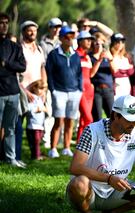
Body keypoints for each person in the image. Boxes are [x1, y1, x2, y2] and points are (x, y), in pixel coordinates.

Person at [66, 95, 135, 213]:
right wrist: (109, 178)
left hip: (118, 192)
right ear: (115, 116)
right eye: (129, 119)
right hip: (89, 190)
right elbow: (75, 167)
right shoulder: (92, 131)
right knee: (79, 183)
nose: (133, 124)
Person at [46, 26, 82, 158]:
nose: (70, 39)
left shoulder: (75, 55)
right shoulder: (54, 54)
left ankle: (66, 148)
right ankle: (53, 148)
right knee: (58, 120)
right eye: (67, 37)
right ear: (61, 38)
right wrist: (53, 90)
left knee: (70, 121)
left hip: (74, 92)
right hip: (59, 92)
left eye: (72, 37)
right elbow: (49, 73)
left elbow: (79, 73)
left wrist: (79, 90)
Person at [16, 20, 47, 161]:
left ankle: (35, 154)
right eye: (29, 30)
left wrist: (44, 89)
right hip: (22, 91)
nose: (33, 33)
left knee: (35, 125)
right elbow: (16, 74)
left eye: (34, 30)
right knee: (18, 124)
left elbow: (42, 68)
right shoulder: (19, 48)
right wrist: (26, 92)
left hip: (38, 93)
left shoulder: (39, 49)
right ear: (23, 32)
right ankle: (15, 155)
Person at [0, 12, 27, 168]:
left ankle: (10, 158)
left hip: (13, 91)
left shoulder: (14, 46)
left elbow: (22, 66)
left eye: (6, 23)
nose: (4, 25)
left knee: (10, 128)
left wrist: (6, 64)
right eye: (1, 22)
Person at [40, 17, 62, 149]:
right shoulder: (43, 43)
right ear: (49, 28)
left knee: (60, 112)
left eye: (59, 27)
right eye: (54, 27)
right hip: (49, 80)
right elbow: (43, 64)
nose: (57, 29)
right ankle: (46, 139)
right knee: (49, 111)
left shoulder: (62, 42)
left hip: (61, 82)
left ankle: (58, 139)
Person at [90, 32, 115, 122]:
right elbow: (91, 74)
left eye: (102, 43)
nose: (99, 46)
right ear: (93, 44)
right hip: (96, 90)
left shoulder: (108, 56)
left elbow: (115, 71)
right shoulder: (90, 57)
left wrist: (111, 59)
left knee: (112, 117)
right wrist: (99, 60)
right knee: (97, 118)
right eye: (97, 43)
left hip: (108, 89)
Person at [26, 80, 48, 160]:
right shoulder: (32, 98)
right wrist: (38, 109)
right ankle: (36, 156)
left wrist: (44, 109)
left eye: (44, 90)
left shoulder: (40, 99)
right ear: (34, 88)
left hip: (40, 125)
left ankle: (36, 154)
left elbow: (44, 108)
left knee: (38, 141)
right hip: (33, 125)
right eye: (40, 89)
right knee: (35, 141)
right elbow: (28, 108)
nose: (42, 91)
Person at [110, 33, 135, 99]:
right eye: (118, 41)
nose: (120, 43)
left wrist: (120, 70)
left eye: (122, 41)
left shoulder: (126, 57)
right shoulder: (110, 56)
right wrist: (126, 70)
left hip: (126, 85)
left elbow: (131, 72)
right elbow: (115, 73)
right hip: (116, 86)